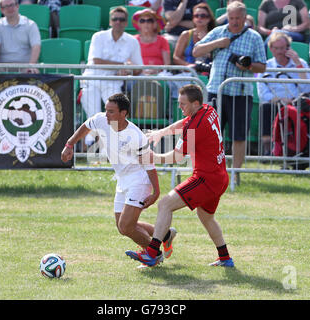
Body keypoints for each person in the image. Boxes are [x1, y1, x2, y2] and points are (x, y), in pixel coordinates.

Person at [125, 84, 233, 267]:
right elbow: (184, 122)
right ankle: (225, 257)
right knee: (206, 217)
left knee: (165, 204)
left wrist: (152, 157)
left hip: (205, 179)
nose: (179, 107)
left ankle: (152, 253)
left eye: (183, 104)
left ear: (196, 103)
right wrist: (162, 132)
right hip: (220, 176)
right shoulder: (208, 109)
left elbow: (177, 156)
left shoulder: (195, 125)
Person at [61, 93, 164, 263]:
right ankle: (164, 234)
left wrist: (156, 192)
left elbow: (149, 165)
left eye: (111, 112)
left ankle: (154, 255)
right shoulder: (101, 119)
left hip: (139, 179)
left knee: (126, 226)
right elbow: (86, 126)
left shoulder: (136, 136)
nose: (106, 115)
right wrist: (69, 144)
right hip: (122, 179)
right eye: (106, 110)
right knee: (122, 226)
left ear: (123, 114)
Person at [193, 1, 266, 185]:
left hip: (240, 92)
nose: (234, 22)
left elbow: (262, 66)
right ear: (227, 16)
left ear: (244, 18)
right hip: (216, 90)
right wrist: (218, 43)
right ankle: (209, 172)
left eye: (237, 18)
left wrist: (247, 66)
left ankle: (235, 174)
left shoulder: (254, 37)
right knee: (211, 134)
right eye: (231, 18)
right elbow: (196, 51)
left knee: (238, 135)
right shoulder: (218, 32)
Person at [80, 6, 143, 149]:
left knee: (113, 115)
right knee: (95, 115)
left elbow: (139, 68)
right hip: (91, 80)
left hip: (113, 82)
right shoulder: (98, 36)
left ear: (126, 23)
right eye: (115, 19)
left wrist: (128, 72)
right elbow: (96, 60)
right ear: (110, 21)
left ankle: (106, 149)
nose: (118, 22)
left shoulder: (132, 41)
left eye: (121, 19)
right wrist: (123, 65)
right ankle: (94, 147)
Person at [257, 32, 310, 155]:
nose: (279, 52)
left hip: (298, 102)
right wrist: (281, 99)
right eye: (276, 48)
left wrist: (297, 64)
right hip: (276, 102)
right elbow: (263, 94)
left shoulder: (300, 63)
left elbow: (306, 88)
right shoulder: (266, 66)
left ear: (288, 48)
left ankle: (302, 147)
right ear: (271, 49)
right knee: (265, 108)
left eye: (282, 48)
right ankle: (267, 149)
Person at [0, 0, 41, 74]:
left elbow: (36, 47)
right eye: (6, 6)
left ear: (17, 6)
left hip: (25, 67)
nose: (10, 8)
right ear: (1, 10)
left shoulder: (31, 25)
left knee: (33, 72)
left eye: (12, 5)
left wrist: (31, 66)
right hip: (3, 68)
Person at [173, 2, 215, 70]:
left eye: (203, 16)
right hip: (188, 73)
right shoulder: (186, 35)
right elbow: (176, 57)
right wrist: (189, 66)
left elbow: (216, 57)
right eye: (196, 16)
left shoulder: (214, 35)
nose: (199, 18)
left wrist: (205, 40)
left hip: (208, 72)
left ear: (209, 18)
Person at [132, 8, 170, 74]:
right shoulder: (133, 40)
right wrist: (141, 71)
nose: (146, 23)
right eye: (142, 21)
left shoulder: (162, 40)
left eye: (149, 21)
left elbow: (167, 64)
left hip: (159, 75)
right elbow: (129, 62)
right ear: (138, 24)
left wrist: (156, 71)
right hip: (138, 75)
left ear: (155, 24)